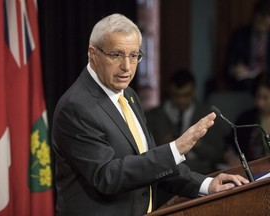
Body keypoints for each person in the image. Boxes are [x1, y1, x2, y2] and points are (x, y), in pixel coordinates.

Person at [51, 13, 249, 216]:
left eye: (134, 55)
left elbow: (149, 164)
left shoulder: (128, 95)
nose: (127, 67)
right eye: (116, 55)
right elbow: (107, 176)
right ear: (93, 54)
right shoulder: (76, 107)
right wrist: (175, 149)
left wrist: (207, 184)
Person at [146, 69, 226, 175]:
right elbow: (147, 154)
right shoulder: (154, 116)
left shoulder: (208, 115)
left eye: (186, 95)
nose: (181, 100)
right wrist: (164, 147)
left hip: (202, 172)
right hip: (166, 174)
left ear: (194, 91)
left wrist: (197, 145)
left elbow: (219, 154)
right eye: (176, 96)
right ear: (169, 92)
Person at [225, 73, 270, 163]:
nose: (260, 103)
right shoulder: (246, 118)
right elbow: (230, 145)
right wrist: (230, 155)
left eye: (265, 98)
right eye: (258, 97)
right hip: (253, 173)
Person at [225, 0, 270, 91]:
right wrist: (235, 69)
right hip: (246, 81)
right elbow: (229, 63)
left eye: (265, 23)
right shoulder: (240, 35)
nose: (262, 26)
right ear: (254, 16)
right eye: (259, 21)